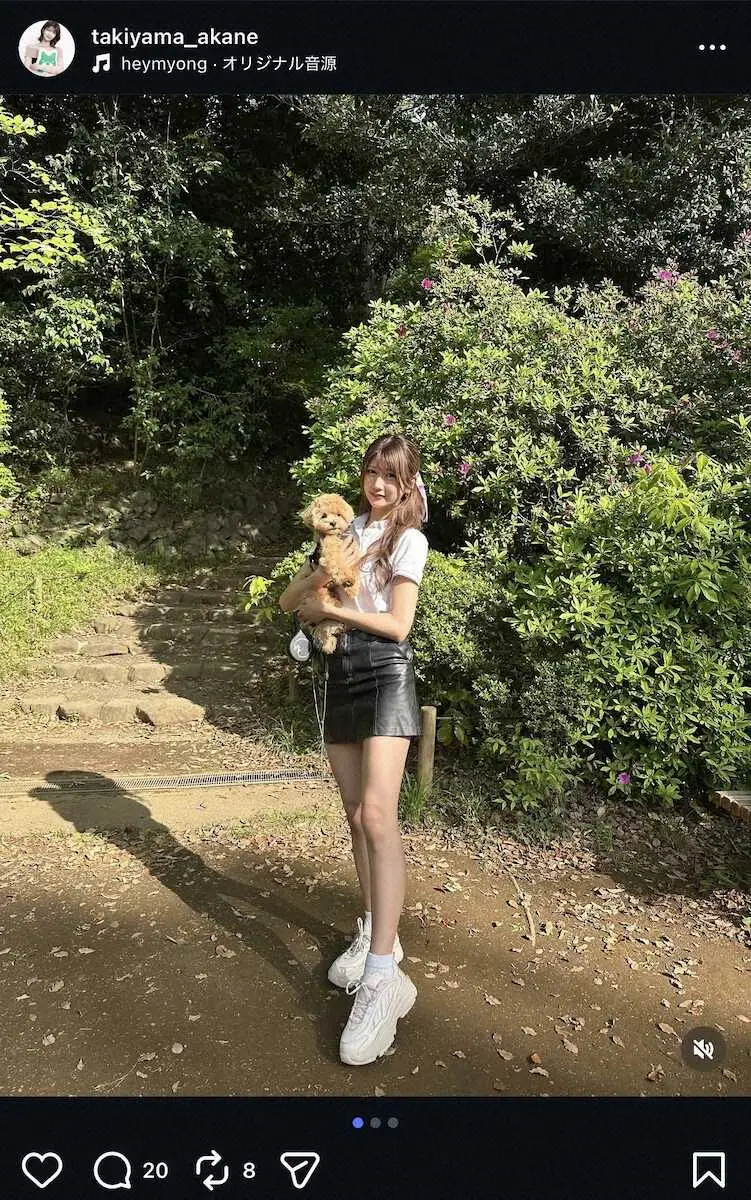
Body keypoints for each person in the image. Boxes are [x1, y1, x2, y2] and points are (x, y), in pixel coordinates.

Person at [279, 433, 429, 1065]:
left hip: (386, 674)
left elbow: (398, 624)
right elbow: (289, 603)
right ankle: (374, 930)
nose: (378, 485)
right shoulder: (341, 533)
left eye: (391, 476)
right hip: (339, 675)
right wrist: (318, 583)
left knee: (377, 815)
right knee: (352, 815)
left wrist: (336, 615)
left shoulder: (407, 540)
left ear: (407, 482)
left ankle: (382, 976)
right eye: (371, 472)